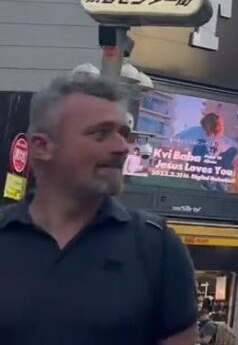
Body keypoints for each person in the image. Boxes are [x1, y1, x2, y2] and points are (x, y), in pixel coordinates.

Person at [0, 74, 199, 345]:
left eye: (124, 134)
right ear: (42, 147)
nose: (122, 147)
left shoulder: (157, 247)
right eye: (100, 133)